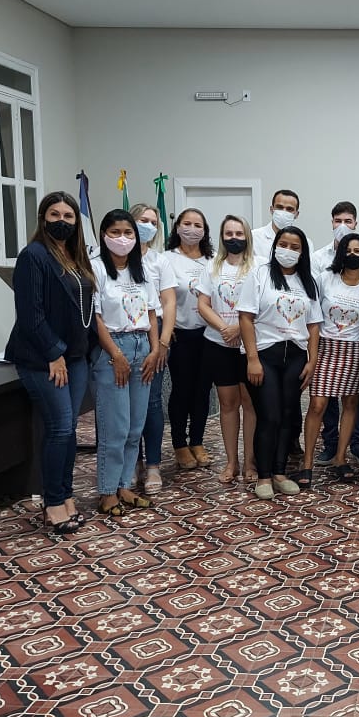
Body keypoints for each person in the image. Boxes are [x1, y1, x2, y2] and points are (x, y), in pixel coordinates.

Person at [6, 191, 96, 534]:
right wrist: (53, 353)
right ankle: (53, 502)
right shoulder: (34, 256)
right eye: (55, 215)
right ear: (43, 219)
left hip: (75, 357)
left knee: (68, 429)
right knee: (58, 428)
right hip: (44, 359)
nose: (62, 221)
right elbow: (31, 315)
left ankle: (66, 494)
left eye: (68, 216)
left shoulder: (74, 255)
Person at [238, 226, 322, 500]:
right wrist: (252, 359)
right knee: (269, 415)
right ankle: (263, 476)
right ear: (275, 247)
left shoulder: (308, 281)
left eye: (295, 247)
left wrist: (312, 359)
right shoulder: (260, 274)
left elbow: (313, 325)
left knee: (288, 416)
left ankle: (280, 472)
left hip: (296, 355)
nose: (288, 250)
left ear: (303, 252)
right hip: (264, 354)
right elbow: (245, 317)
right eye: (283, 245)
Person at [90, 209, 159, 516]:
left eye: (128, 233)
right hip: (112, 350)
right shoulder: (96, 269)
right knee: (115, 427)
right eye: (115, 232)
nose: (122, 238)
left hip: (142, 347)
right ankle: (107, 491)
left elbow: (152, 313)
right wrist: (115, 355)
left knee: (134, 427)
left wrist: (155, 350)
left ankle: (124, 486)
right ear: (104, 235)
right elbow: (96, 318)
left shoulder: (140, 270)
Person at [303, 233, 359, 482]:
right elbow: (313, 317)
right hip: (325, 347)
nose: (352, 255)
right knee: (318, 405)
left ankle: (340, 458)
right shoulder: (326, 278)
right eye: (348, 250)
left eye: (358, 251)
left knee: (351, 404)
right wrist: (312, 355)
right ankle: (307, 462)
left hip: (355, 349)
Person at [198, 214, 262, 484]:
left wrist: (239, 328)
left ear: (247, 235)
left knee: (250, 403)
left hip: (250, 345)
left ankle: (249, 461)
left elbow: (264, 305)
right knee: (227, 404)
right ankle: (231, 462)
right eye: (229, 234)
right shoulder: (212, 265)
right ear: (222, 237)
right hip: (218, 343)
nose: (234, 238)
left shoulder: (259, 266)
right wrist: (225, 328)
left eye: (239, 233)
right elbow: (203, 304)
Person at [130, 203, 176, 493]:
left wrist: (163, 341)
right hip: (124, 329)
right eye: (143, 220)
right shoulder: (109, 259)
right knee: (126, 404)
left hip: (155, 330)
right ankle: (132, 461)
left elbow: (168, 301)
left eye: (153, 222)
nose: (148, 226)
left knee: (152, 401)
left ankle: (153, 466)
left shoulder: (160, 261)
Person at [165, 208, 215, 470]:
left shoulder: (213, 260)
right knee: (182, 389)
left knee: (203, 390)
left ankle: (197, 440)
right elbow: (161, 296)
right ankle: (179, 443)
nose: (192, 229)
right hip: (180, 334)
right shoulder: (167, 259)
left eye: (198, 225)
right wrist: (165, 326)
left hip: (208, 334)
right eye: (187, 224)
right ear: (177, 228)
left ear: (205, 231)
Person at [251, 189, 313, 260]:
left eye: (289, 209)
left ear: (296, 214)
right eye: (279, 207)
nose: (284, 212)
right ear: (272, 210)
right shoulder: (253, 237)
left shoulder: (305, 243)